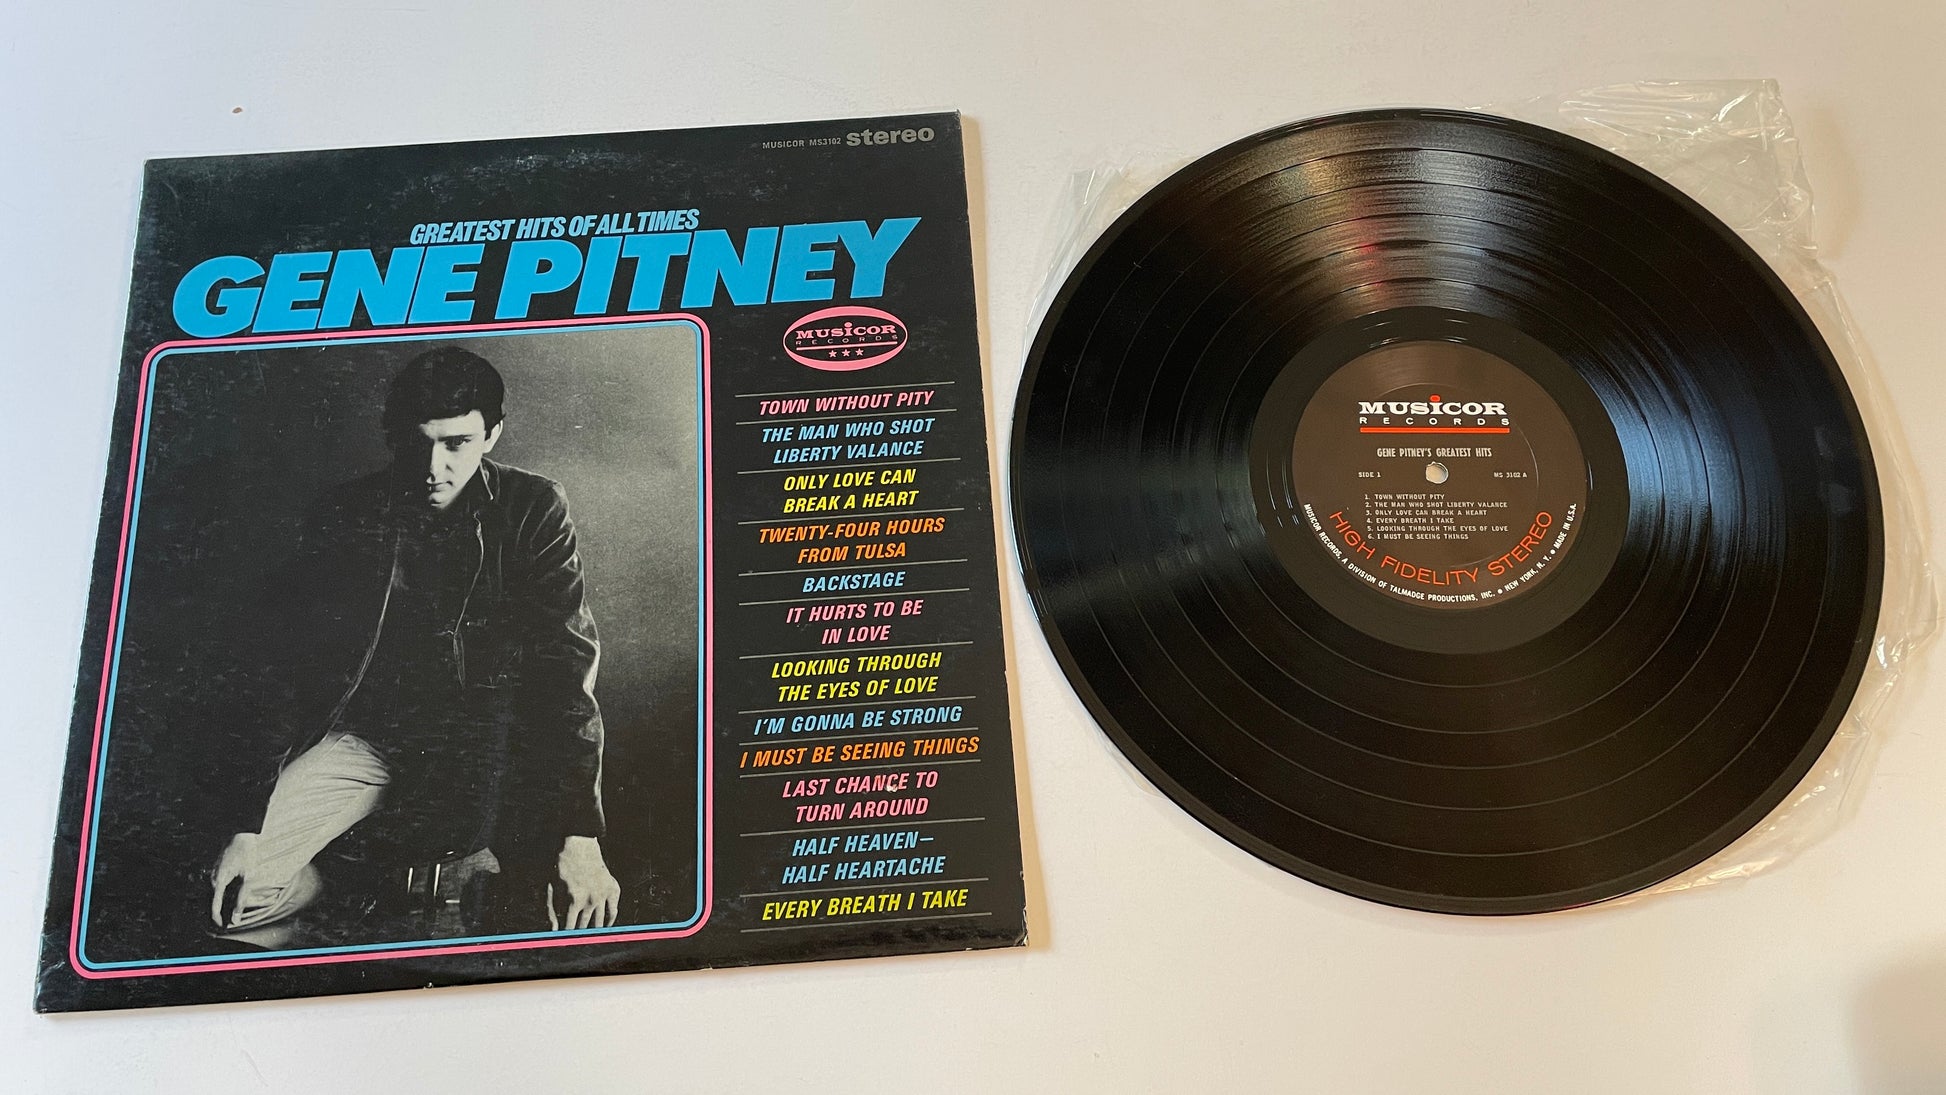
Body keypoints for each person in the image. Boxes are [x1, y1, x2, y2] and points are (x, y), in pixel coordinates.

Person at [208, 346, 621, 941]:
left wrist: (580, 835)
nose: (434, 467)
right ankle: (334, 893)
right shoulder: (345, 512)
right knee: (233, 903)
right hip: (368, 740)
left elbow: (565, 671)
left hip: (487, 752)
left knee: (544, 921)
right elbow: (284, 670)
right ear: (393, 436)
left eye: (457, 443)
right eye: (417, 442)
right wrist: (247, 826)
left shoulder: (533, 508)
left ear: (492, 435)